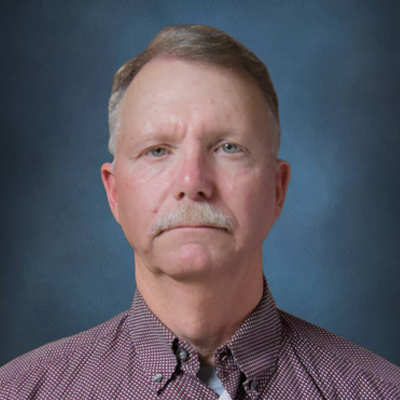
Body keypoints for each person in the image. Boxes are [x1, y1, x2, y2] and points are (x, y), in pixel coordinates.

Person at [0, 25, 399, 400]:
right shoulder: (21, 391)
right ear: (115, 192)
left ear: (277, 189)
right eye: (157, 150)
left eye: (228, 147)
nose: (192, 181)